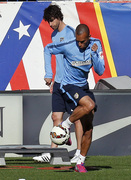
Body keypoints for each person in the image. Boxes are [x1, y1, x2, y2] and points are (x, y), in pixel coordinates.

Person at [44, 24, 105, 172]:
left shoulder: (96, 44)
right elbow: (47, 49)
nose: (80, 44)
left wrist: (95, 55)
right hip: (68, 85)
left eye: (83, 42)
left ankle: (80, 160)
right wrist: (48, 73)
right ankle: (65, 125)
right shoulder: (68, 45)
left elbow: (100, 70)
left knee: (89, 127)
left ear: (89, 38)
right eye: (78, 41)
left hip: (83, 86)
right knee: (89, 105)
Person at [33, 4, 83, 164]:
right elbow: (59, 61)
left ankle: (79, 152)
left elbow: (74, 60)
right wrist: (54, 79)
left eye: (51, 20)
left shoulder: (71, 34)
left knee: (77, 118)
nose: (50, 24)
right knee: (56, 117)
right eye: (48, 21)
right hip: (59, 82)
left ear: (58, 17)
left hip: (70, 84)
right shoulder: (54, 35)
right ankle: (52, 152)